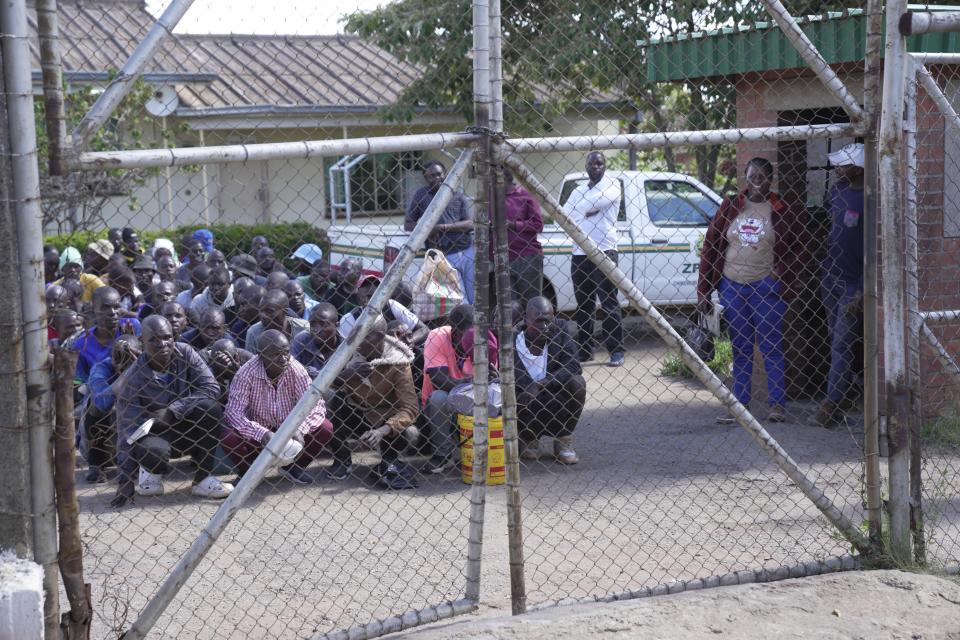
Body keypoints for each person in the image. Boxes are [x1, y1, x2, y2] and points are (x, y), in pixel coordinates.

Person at [697, 157, 810, 424]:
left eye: (761, 176)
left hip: (766, 288)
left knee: (771, 347)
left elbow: (804, 247)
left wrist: (780, 272)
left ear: (770, 179)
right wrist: (703, 288)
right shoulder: (730, 207)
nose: (756, 181)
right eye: (751, 177)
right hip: (732, 287)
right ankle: (740, 405)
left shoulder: (782, 209)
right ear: (745, 179)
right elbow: (711, 245)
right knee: (741, 347)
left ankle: (777, 405)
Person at [111, 315, 233, 506]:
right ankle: (150, 473)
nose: (162, 344)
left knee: (209, 408)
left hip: (185, 424)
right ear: (142, 342)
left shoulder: (185, 353)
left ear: (174, 337)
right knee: (154, 453)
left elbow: (211, 387)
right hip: (155, 434)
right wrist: (124, 481)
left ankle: (202, 479)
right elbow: (126, 430)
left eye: (167, 337)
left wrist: (173, 409)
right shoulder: (133, 378)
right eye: (154, 339)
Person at [223, 329, 332, 484]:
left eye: (286, 352)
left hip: (291, 431)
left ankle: (294, 467)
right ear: (262, 356)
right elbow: (233, 413)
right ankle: (248, 472)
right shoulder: (246, 372)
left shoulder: (296, 368)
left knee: (325, 427)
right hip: (259, 432)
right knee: (229, 437)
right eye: (275, 354)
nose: (283, 359)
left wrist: (300, 428)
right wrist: (262, 433)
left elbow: (316, 405)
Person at [326, 316, 420, 484]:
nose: (357, 339)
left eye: (365, 335)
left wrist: (383, 430)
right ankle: (341, 459)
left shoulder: (399, 360)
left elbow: (410, 407)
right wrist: (346, 375)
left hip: (384, 419)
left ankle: (389, 459)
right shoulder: (347, 351)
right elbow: (323, 382)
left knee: (410, 433)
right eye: (356, 333)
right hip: (355, 412)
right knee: (333, 398)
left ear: (380, 335)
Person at [813, 144, 865, 427]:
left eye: (843, 165)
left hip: (851, 284)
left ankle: (831, 404)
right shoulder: (836, 193)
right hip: (829, 277)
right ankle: (845, 389)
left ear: (858, 168)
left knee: (842, 343)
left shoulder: (870, 198)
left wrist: (861, 287)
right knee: (836, 339)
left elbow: (874, 249)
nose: (837, 170)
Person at [563, 151, 625, 367]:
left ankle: (616, 350)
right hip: (580, 253)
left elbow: (582, 208)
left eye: (600, 163)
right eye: (592, 163)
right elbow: (564, 213)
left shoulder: (612, 185)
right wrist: (587, 211)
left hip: (604, 251)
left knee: (608, 303)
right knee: (584, 305)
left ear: (604, 165)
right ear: (586, 166)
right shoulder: (579, 189)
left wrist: (580, 213)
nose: (596, 167)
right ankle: (585, 351)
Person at [514, 297, 586, 464]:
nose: (545, 326)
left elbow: (574, 365)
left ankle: (563, 440)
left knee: (578, 383)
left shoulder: (559, 329)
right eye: (539, 321)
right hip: (525, 401)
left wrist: (541, 384)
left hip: (553, 395)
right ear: (526, 319)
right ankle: (529, 437)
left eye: (549, 320)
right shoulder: (513, 338)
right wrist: (527, 387)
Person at [404, 160, 476, 303]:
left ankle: (477, 324)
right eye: (432, 176)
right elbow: (408, 224)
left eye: (439, 174)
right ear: (426, 178)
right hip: (444, 255)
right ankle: (468, 324)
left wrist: (442, 227)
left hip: (467, 250)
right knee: (461, 299)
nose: (437, 178)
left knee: (475, 296)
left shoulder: (457, 195)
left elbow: (469, 223)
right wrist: (428, 229)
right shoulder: (422, 195)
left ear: (445, 174)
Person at [420, 304, 474, 472]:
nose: (473, 339)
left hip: (473, 402)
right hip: (444, 409)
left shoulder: (482, 339)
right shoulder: (436, 336)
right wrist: (473, 382)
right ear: (454, 330)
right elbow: (439, 380)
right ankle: (442, 454)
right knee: (439, 397)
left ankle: (477, 450)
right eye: (468, 335)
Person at [82, 334, 142, 482]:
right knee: (95, 404)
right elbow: (102, 404)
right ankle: (96, 466)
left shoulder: (146, 364)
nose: (122, 361)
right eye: (118, 356)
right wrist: (127, 373)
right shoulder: (102, 367)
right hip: (103, 446)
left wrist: (140, 365)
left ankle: (139, 463)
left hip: (135, 436)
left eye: (128, 355)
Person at [70, 286, 141, 383]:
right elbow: (79, 382)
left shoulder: (131, 326)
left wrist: (131, 340)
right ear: (93, 309)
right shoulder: (82, 344)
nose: (112, 313)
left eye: (116, 307)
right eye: (105, 307)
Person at [338, 275, 428, 347]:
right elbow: (345, 351)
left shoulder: (390, 305)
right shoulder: (349, 319)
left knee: (400, 326)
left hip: (397, 353)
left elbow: (424, 329)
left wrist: (409, 340)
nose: (369, 301)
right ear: (358, 297)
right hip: (365, 360)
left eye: (374, 296)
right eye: (366, 297)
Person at [500, 168, 545, 307]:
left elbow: (538, 224)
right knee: (509, 306)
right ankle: (514, 329)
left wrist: (513, 225)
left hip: (526, 256)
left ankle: (534, 328)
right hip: (501, 258)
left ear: (504, 179)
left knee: (532, 303)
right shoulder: (490, 198)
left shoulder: (524, 195)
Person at [244, 289, 310, 352]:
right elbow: (252, 361)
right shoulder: (253, 332)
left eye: (270, 311)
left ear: (285, 311)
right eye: (261, 310)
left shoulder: (303, 328)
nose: (263, 315)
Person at [292, 303, 340, 378]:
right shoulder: (301, 340)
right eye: (313, 324)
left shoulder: (347, 344)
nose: (317, 330)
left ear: (336, 326)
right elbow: (292, 369)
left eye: (323, 324)